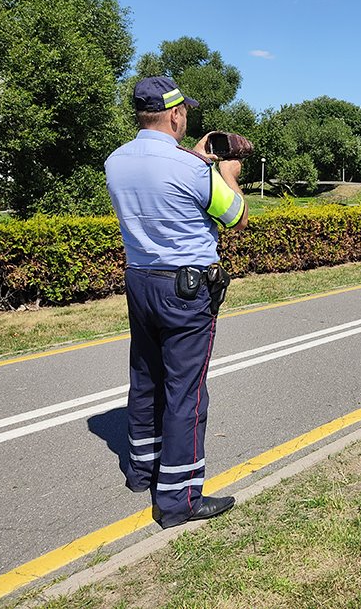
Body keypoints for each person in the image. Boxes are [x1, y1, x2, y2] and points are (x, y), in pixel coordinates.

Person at [105, 76, 250, 529]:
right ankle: (178, 499)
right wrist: (225, 173)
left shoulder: (116, 161)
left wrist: (194, 160)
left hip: (140, 280)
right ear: (174, 115)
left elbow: (159, 185)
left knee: (145, 378)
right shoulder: (192, 170)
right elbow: (237, 216)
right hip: (185, 290)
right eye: (184, 110)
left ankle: (141, 470)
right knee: (186, 391)